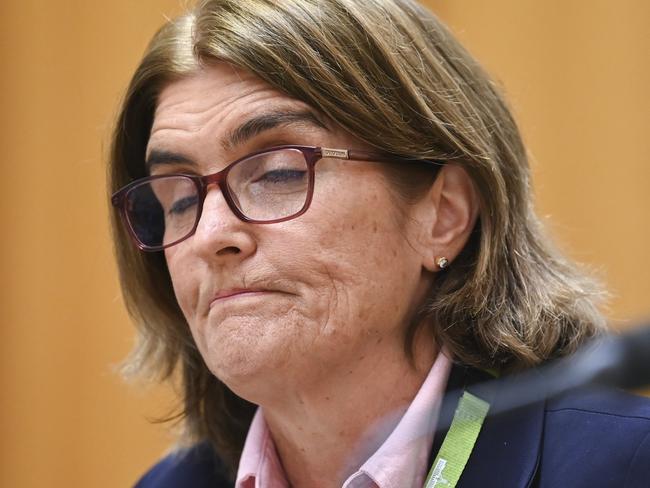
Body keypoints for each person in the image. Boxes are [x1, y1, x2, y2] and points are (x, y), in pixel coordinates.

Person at [108, 0, 650, 486]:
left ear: (444, 215)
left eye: (276, 173)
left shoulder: (624, 465)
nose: (209, 235)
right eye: (178, 199)